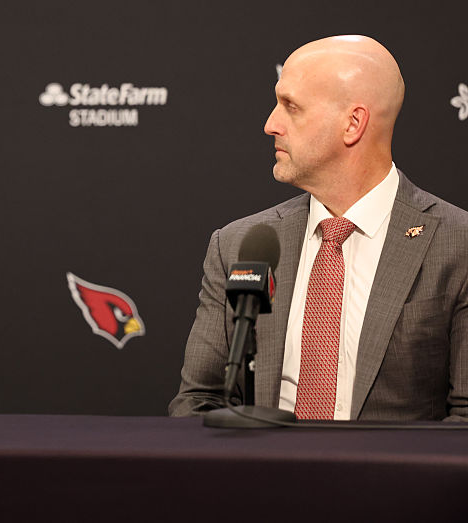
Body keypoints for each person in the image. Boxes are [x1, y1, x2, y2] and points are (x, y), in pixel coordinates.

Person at [169, 35, 468, 421]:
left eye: (291, 107)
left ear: (353, 123)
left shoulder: (458, 245)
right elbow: (198, 403)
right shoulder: (238, 245)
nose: (270, 124)